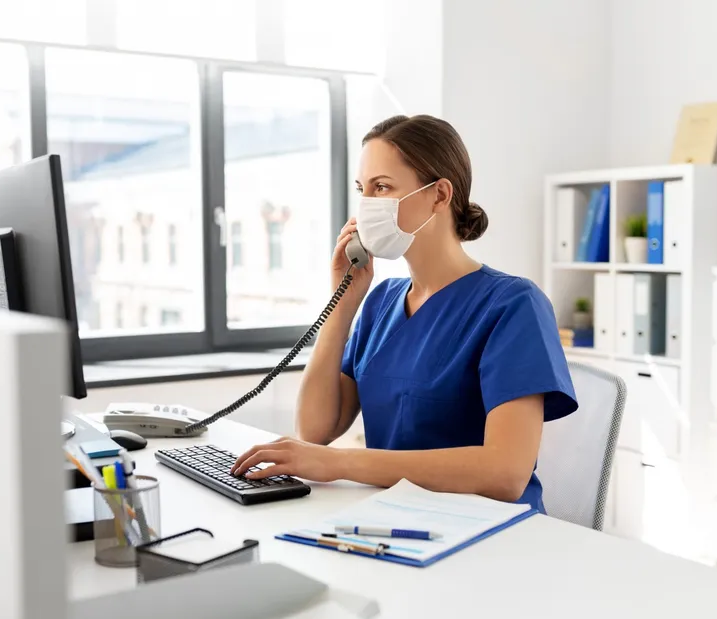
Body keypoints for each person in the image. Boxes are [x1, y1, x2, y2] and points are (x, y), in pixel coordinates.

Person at [231, 114, 577, 511]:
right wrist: (341, 305)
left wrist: (343, 463)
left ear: (440, 195)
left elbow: (506, 473)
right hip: (399, 520)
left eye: (382, 187)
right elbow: (315, 430)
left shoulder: (513, 305)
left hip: (490, 533)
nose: (366, 205)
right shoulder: (380, 302)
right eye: (362, 189)